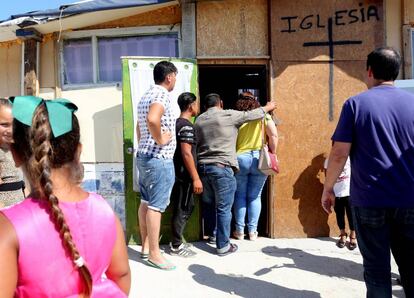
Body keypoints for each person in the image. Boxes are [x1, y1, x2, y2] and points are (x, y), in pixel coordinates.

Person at [0, 96, 130, 297]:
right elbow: (121, 275)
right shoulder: (104, 210)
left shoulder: (9, 226)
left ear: (15, 153)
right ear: (78, 152)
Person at [321, 47, 414, 298]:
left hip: (370, 201)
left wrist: (328, 188)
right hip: (409, 199)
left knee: (376, 270)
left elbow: (339, 152)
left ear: (369, 71)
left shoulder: (355, 104)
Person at [195, 93, 276, 256]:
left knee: (211, 203)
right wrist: (267, 108)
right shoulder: (229, 115)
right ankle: (229, 242)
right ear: (221, 103)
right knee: (232, 204)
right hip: (224, 166)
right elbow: (254, 117)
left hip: (204, 167)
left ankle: (220, 234)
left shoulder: (199, 120)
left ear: (204, 106)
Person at [136, 60, 177, 270]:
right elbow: (153, 119)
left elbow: (139, 126)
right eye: (175, 77)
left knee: (145, 201)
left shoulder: (146, 95)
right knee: (156, 206)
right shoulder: (161, 94)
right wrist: (161, 139)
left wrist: (146, 142)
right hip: (159, 159)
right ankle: (154, 254)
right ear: (169, 77)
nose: (175, 81)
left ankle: (144, 247)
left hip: (144, 156)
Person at [232, 92, 278, 241]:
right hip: (258, 158)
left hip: (240, 158)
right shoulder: (263, 116)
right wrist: (272, 152)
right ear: (255, 101)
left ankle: (239, 232)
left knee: (239, 195)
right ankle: (252, 232)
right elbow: (273, 135)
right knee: (255, 196)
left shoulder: (236, 116)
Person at [169, 92, 201, 258]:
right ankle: (176, 246)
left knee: (184, 207)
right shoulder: (186, 126)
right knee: (183, 208)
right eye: (196, 104)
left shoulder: (176, 123)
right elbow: (186, 153)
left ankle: (176, 241)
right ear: (191, 106)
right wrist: (195, 177)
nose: (197, 107)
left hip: (179, 173)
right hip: (184, 174)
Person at [323, 155, 356, 249]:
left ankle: (353, 236)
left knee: (351, 215)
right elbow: (327, 177)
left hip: (350, 192)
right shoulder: (328, 160)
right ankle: (343, 234)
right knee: (339, 215)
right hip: (336, 193)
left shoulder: (350, 158)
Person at [0, 98, 25, 208]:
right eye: (4, 125)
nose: (10, 130)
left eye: (13, 125)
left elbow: (23, 186)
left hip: (20, 214)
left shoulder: (15, 149)